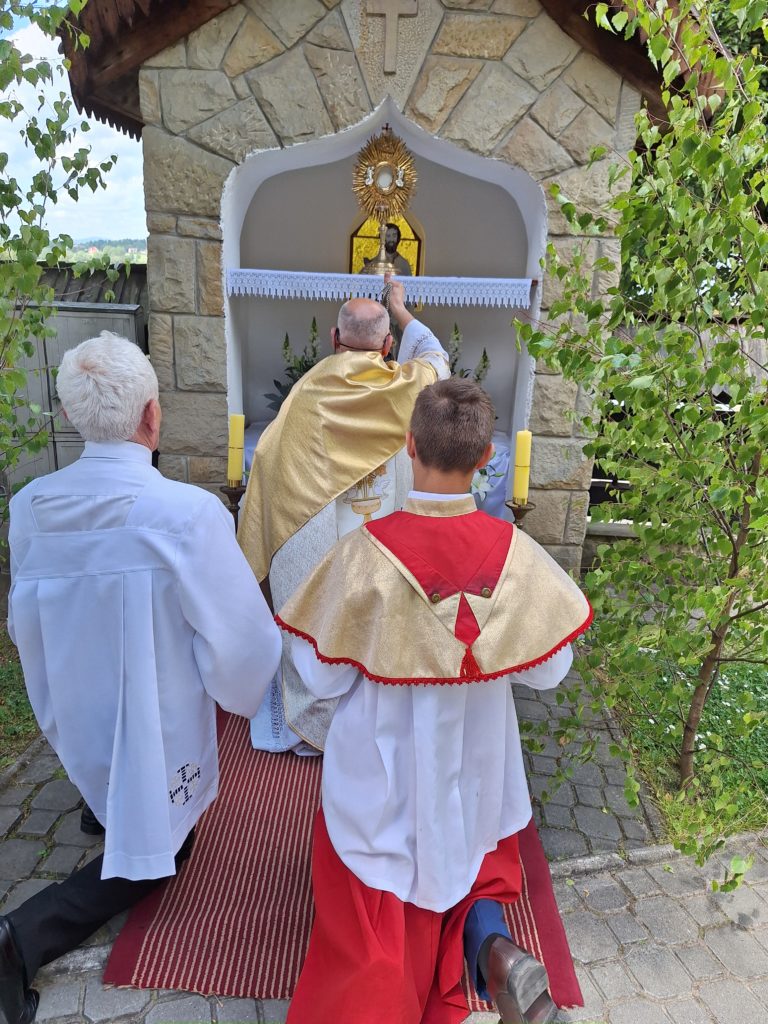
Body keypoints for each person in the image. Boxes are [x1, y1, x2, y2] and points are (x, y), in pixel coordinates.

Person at [277, 378, 593, 1024]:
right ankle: (493, 948)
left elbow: (322, 678)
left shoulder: (362, 555)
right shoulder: (516, 554)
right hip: (476, 769)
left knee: (376, 909)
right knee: (467, 862)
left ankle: (378, 1000)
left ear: (409, 446)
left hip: (382, 773)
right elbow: (551, 669)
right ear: (486, 458)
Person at [1, 333, 282, 1024]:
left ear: (70, 415)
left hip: (74, 705)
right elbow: (245, 641)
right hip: (154, 713)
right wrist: (233, 690)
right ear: (153, 416)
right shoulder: (186, 513)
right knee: (167, 851)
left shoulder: (29, 506)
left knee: (108, 766)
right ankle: (20, 939)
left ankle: (101, 800)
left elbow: (28, 620)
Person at [238, 275, 449, 754]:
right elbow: (436, 356)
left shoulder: (307, 394)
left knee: (319, 618)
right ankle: (379, 718)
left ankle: (314, 716)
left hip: (318, 540)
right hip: (382, 539)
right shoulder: (407, 388)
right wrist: (401, 308)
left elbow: (268, 459)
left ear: (334, 338)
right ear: (388, 345)